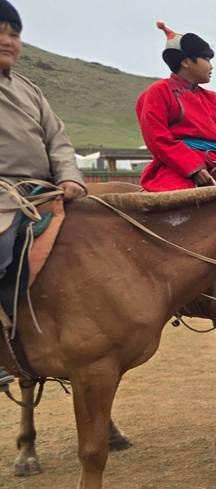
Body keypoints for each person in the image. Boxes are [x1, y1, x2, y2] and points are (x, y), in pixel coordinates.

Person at [0, 0, 86, 392]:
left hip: (42, 191)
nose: (7, 41)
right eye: (0, 32)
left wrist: (69, 177)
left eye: (14, 34)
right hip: (2, 193)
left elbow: (58, 139)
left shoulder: (29, 89)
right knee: (2, 247)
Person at [135, 22, 216, 192]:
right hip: (178, 168)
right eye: (206, 59)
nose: (211, 66)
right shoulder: (159, 91)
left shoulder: (210, 98)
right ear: (186, 61)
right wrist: (193, 168)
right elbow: (157, 137)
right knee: (178, 200)